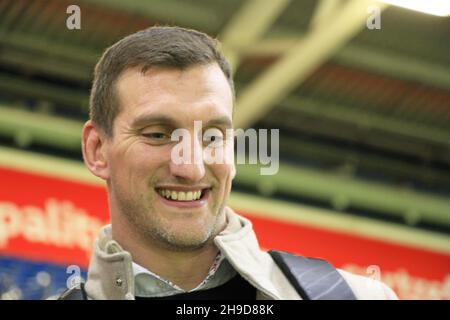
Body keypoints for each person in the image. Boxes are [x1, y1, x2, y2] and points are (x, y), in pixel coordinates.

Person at [61, 26, 397, 300]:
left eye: (212, 136)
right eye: (158, 135)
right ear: (97, 149)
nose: (190, 168)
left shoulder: (356, 297)